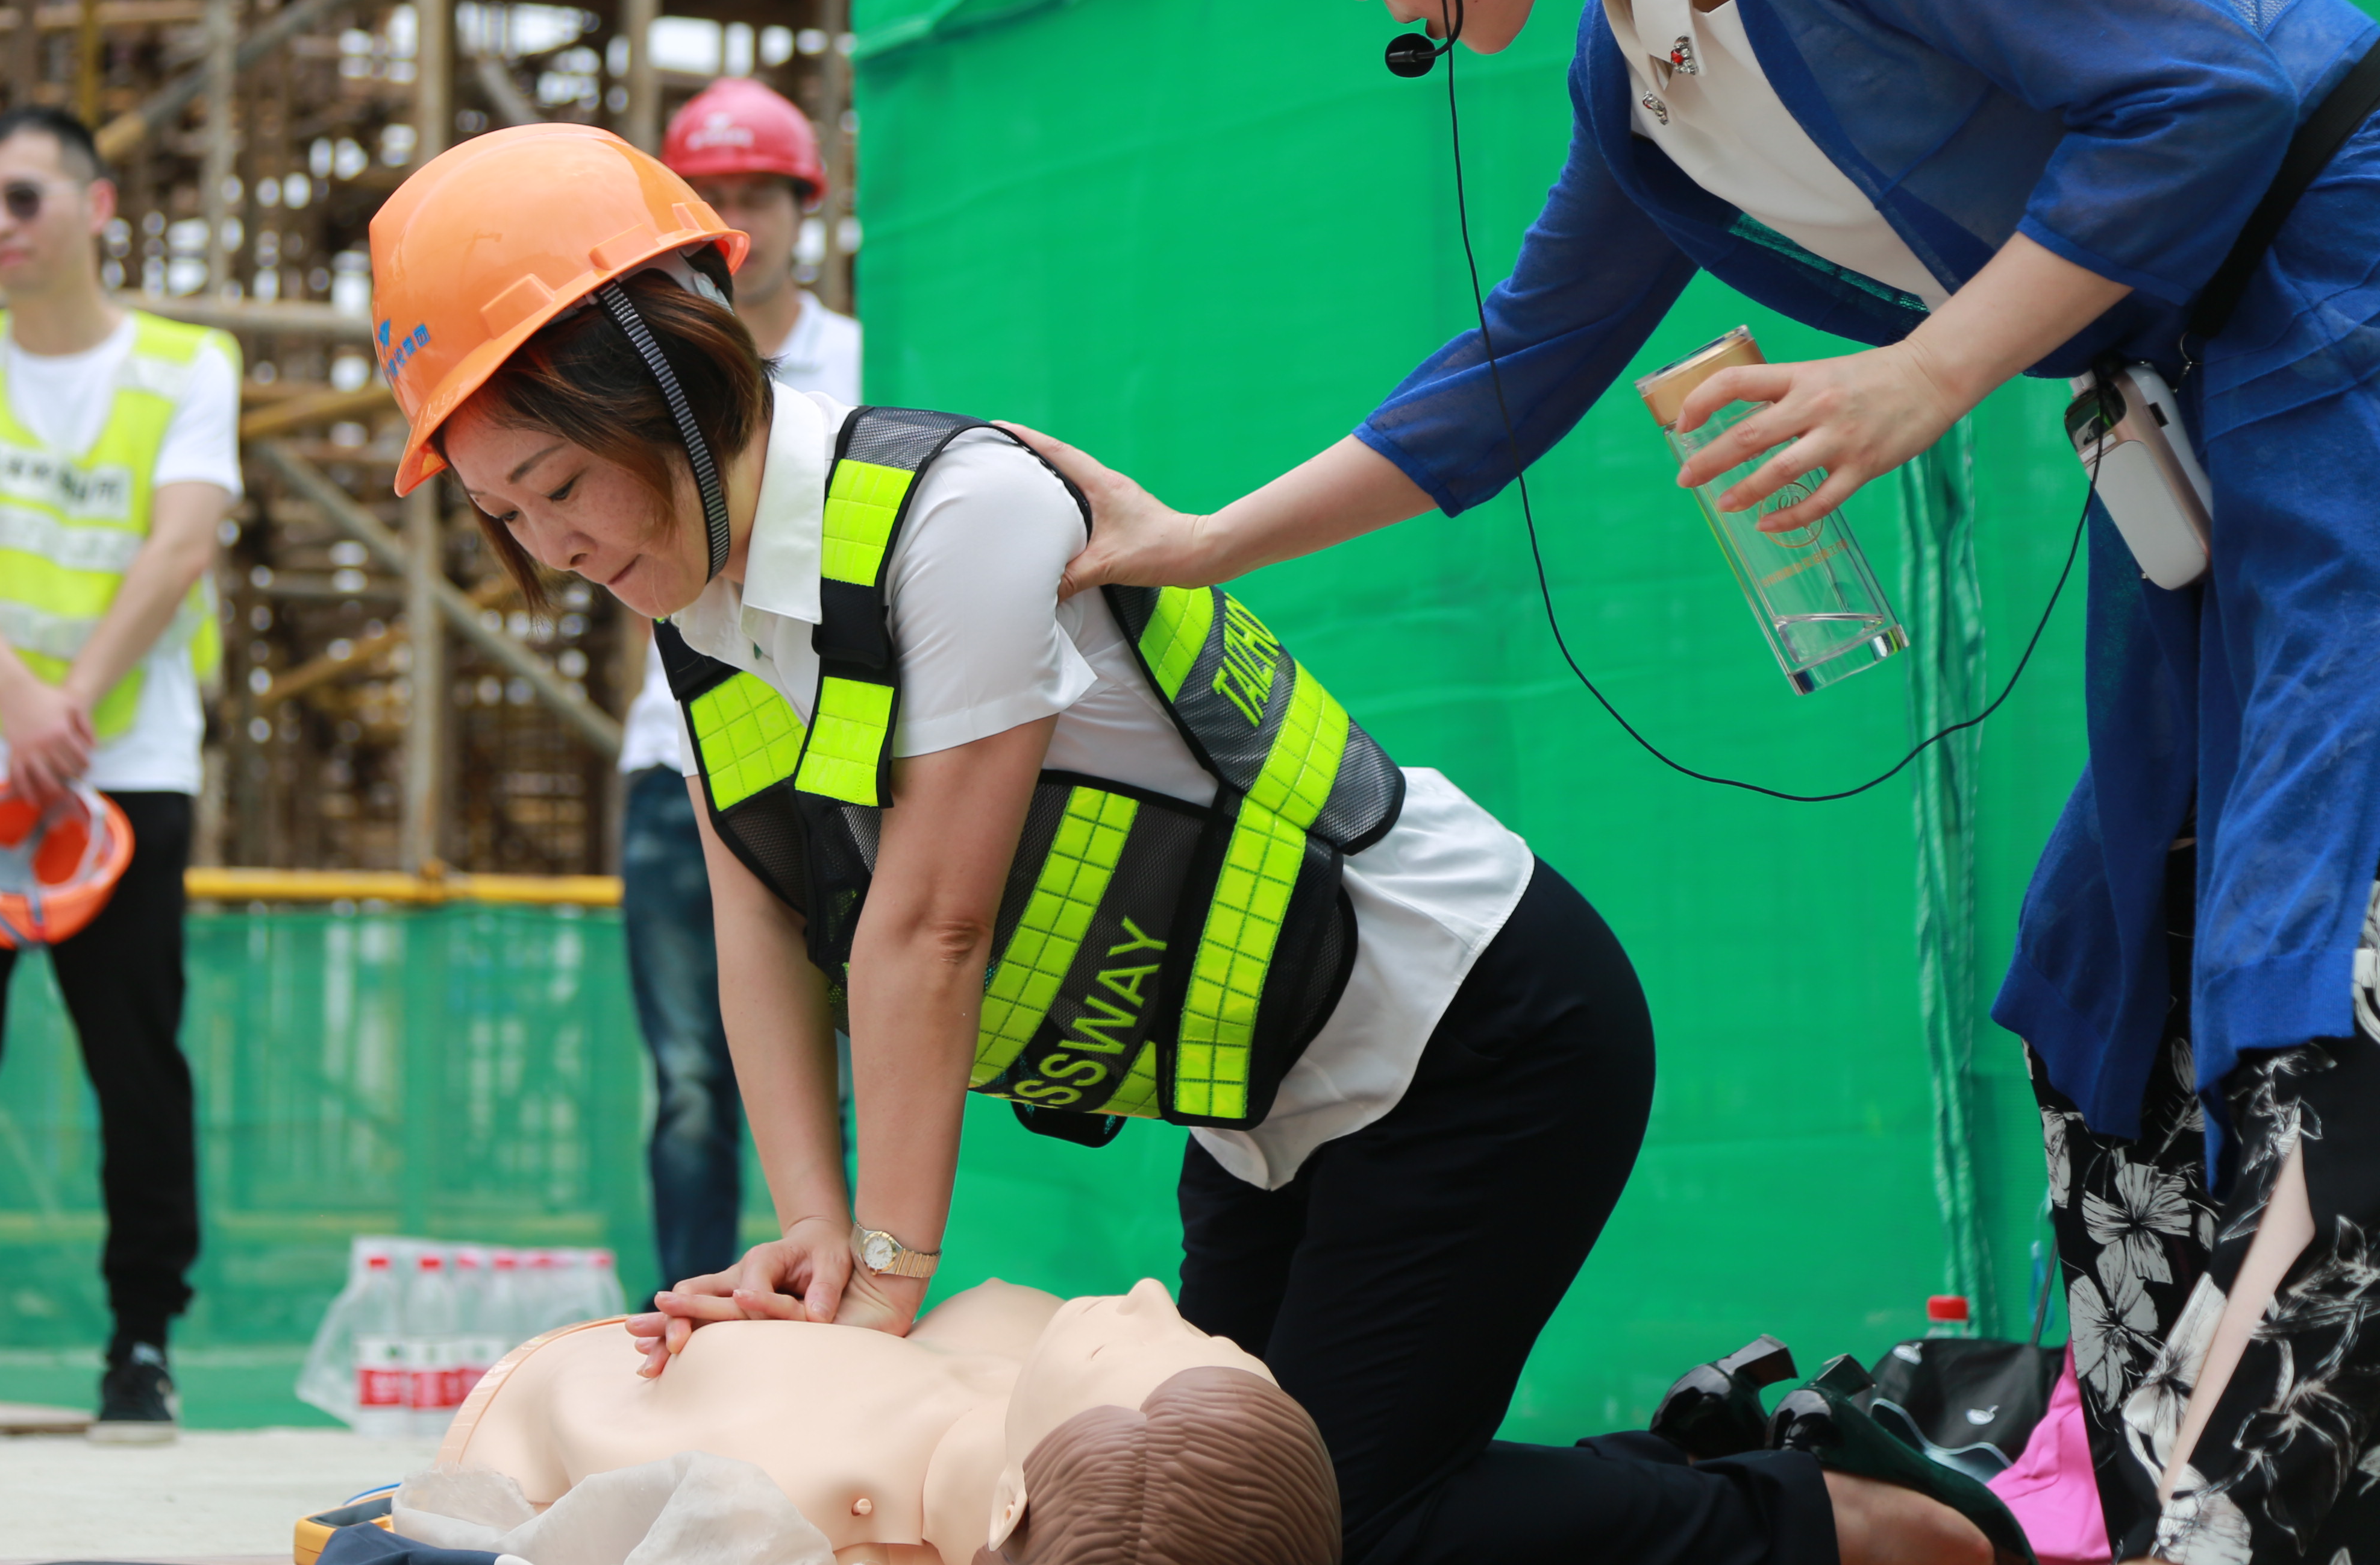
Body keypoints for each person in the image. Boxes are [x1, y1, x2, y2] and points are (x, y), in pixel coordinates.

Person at [1034, 0, 2380, 1565]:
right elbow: (1518, 366)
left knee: (2316, 958)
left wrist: (1927, 370)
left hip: (2344, 334)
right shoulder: (1636, 74)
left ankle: (2260, 1513)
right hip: (2196, 428)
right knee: (2116, 966)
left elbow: (2208, 94)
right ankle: (2155, 1501)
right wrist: (1204, 541)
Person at [365, 124, 2012, 1565]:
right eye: (506, 515)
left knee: (1333, 1531)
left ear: (662, 382)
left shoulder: (958, 516)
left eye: (559, 482)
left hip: (1474, 1029)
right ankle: (1723, 1459)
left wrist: (878, 1280)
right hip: (1260, 1106)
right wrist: (807, 1223)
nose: (551, 545)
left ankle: (1850, 1525)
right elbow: (761, 919)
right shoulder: (700, 599)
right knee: (1195, 1520)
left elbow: (927, 928)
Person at [0, 104, 240, 1446]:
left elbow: (179, 547)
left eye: (23, 198)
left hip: (127, 764)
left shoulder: (189, 365)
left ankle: (141, 1346)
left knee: (136, 1064)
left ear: (99, 205)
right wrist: (19, 702)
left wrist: (69, 706)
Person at [620, 76, 863, 1294]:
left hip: (838, 748)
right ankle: (691, 1320)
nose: (737, 224)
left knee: (865, 1062)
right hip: (681, 756)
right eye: (708, 199)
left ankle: (853, 1306)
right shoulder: (633, 377)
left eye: (757, 194)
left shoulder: (866, 360)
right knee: (688, 1083)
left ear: (804, 205)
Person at [434, 1276, 1338, 1565]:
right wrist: (819, 1308)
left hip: (530, 1410)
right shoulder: (1053, 1408)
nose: (1147, 1291)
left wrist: (757, 1344)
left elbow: (578, 1448)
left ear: (1012, 1504)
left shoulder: (770, 1507)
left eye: (1113, 1347)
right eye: (1200, 1332)